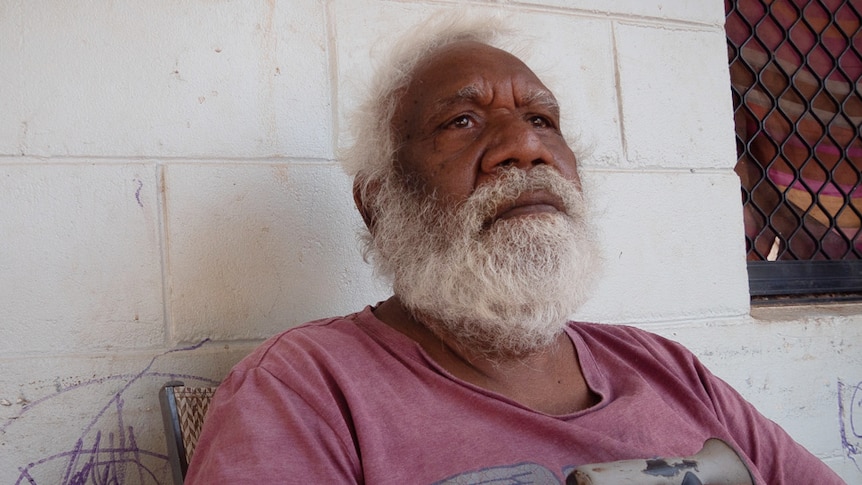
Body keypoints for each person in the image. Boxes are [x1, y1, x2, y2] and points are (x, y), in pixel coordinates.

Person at [186, 16, 845, 484]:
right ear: (380, 200)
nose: (524, 147)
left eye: (541, 120)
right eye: (462, 121)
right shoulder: (305, 388)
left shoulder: (669, 369)